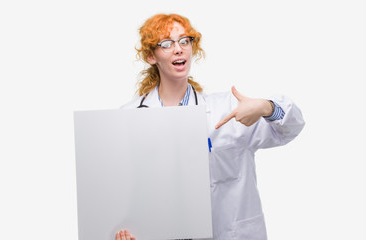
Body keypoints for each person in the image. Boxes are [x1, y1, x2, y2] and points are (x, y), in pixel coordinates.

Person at [118, 13, 305, 240]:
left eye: (184, 41)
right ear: (151, 56)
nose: (178, 49)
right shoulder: (129, 117)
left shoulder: (228, 109)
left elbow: (290, 129)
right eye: (166, 44)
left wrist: (267, 108)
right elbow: (125, 192)